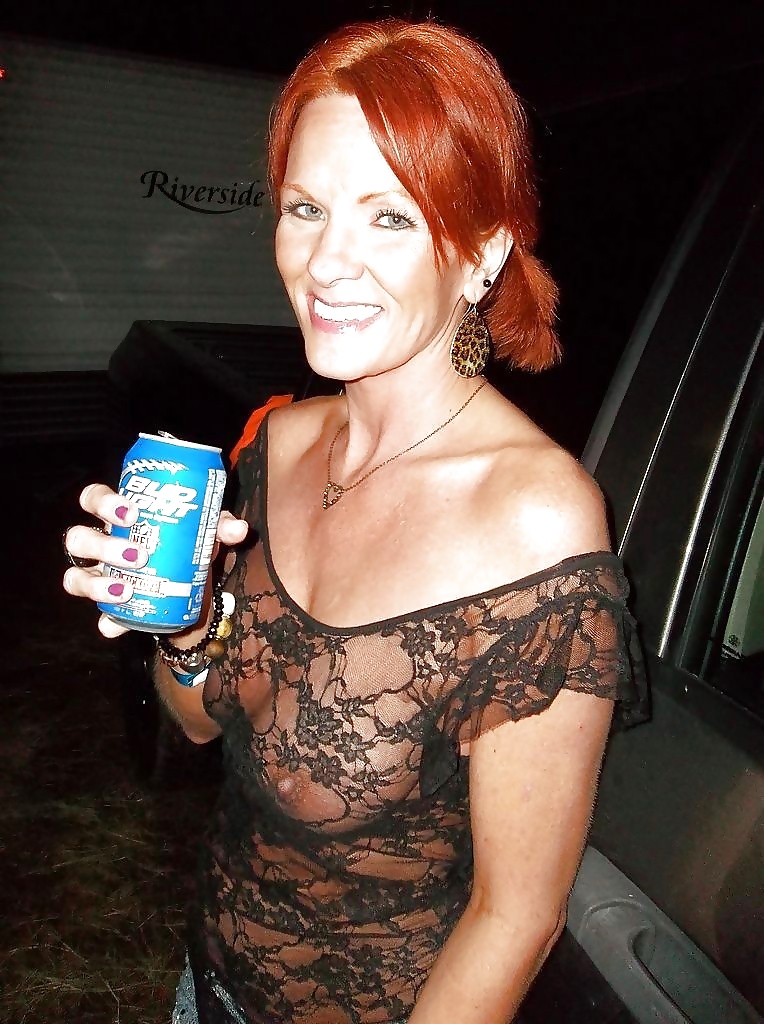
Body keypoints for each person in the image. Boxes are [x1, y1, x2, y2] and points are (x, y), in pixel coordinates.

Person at [63, 18, 646, 1024]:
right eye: (306, 208)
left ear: (480, 253)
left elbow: (516, 917)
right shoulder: (279, 443)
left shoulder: (535, 520)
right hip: (204, 987)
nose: (326, 262)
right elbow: (196, 722)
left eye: (389, 217)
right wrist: (185, 625)